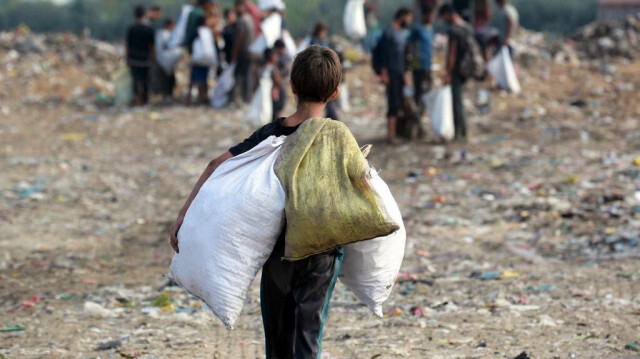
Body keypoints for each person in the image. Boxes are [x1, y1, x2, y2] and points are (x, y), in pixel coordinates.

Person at [170, 45, 344, 359]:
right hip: (323, 254)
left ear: (292, 85)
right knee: (308, 335)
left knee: (278, 341)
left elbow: (216, 164)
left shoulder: (273, 132)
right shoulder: (337, 137)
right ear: (334, 93)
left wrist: (184, 215)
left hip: (280, 253)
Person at [378, 7, 413, 144]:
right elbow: (383, 55)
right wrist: (384, 74)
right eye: (408, 17)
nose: (409, 21)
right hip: (391, 74)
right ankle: (391, 136)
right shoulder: (389, 33)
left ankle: (396, 133)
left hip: (399, 74)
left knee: (398, 103)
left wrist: (404, 74)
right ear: (402, 16)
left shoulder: (399, 33)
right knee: (393, 103)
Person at [439, 4, 473, 141]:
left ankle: (460, 133)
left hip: (457, 69)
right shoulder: (466, 27)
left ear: (448, 14)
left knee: (456, 101)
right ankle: (463, 130)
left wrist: (448, 71)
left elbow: (452, 53)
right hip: (466, 68)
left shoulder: (454, 30)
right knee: (459, 100)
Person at [184, 0, 215, 105]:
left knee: (194, 76)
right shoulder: (200, 15)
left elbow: (189, 33)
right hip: (202, 55)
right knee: (201, 77)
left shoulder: (192, 12)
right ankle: (202, 97)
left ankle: (192, 97)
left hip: (197, 54)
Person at [126, 5, 155, 106]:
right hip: (145, 59)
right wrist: (153, 59)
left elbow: (128, 46)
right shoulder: (149, 29)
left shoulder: (131, 29)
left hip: (134, 58)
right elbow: (151, 46)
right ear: (144, 15)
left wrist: (127, 58)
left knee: (135, 80)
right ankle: (145, 100)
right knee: (145, 80)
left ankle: (136, 98)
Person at [408, 5, 435, 115]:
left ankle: (422, 113)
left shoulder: (431, 29)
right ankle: (417, 114)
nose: (430, 17)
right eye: (428, 15)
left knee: (427, 90)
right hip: (418, 65)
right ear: (423, 15)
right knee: (419, 91)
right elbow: (409, 44)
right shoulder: (417, 29)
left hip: (428, 64)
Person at [231, 0, 255, 104]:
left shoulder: (241, 20)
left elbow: (239, 37)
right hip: (250, 51)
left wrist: (234, 53)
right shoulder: (249, 18)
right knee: (247, 75)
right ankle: (246, 98)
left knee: (239, 75)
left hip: (243, 51)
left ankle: (236, 98)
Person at [155, 18, 177, 101]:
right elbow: (166, 45)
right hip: (166, 60)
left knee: (168, 78)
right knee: (167, 79)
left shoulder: (160, 34)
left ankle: (168, 95)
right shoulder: (165, 34)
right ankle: (167, 95)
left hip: (164, 60)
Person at [263, 48, 285, 122]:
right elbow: (277, 80)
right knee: (275, 110)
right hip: (275, 93)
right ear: (270, 57)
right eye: (275, 56)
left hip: (273, 93)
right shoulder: (272, 69)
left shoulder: (267, 67)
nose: (276, 58)